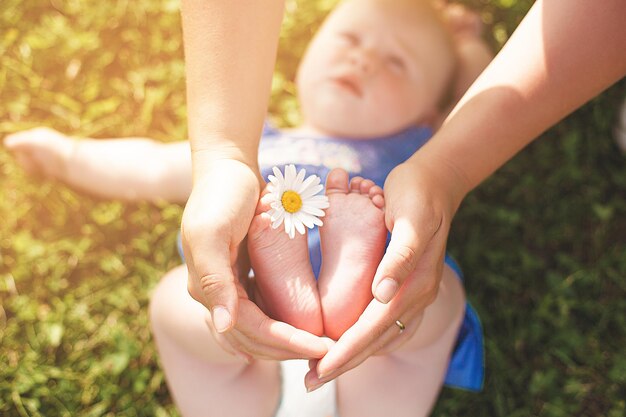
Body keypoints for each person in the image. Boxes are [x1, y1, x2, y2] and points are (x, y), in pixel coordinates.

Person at [5, 0, 491, 415]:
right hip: (252, 342)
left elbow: (480, 104)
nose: (363, 61)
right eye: (351, 38)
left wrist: (465, 42)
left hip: (376, 342)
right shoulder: (246, 149)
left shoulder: (423, 150)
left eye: (397, 63)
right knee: (177, 301)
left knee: (431, 295)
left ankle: (340, 298)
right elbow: (149, 165)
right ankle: (292, 302)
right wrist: (66, 157)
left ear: (430, 111)